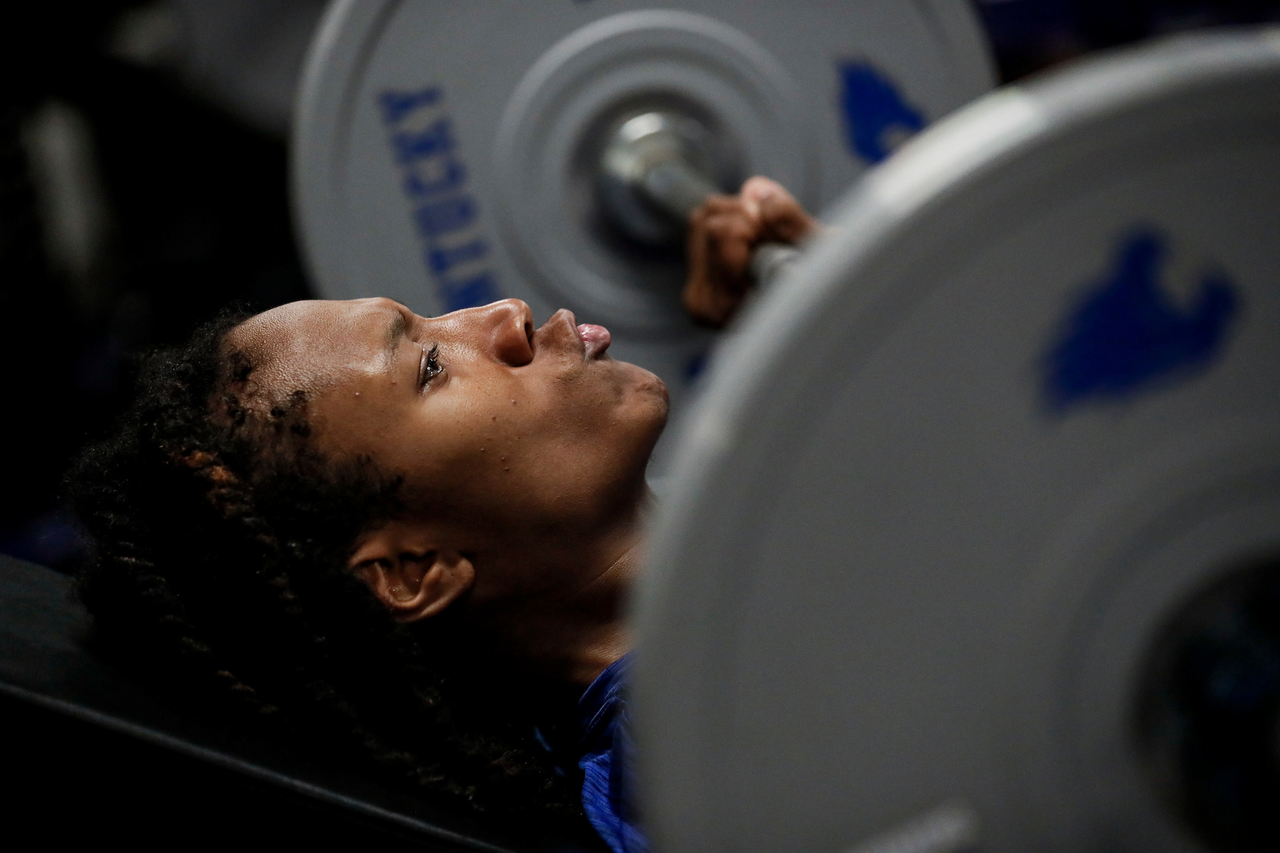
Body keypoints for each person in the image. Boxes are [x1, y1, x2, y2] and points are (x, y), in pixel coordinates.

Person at [70, 178, 820, 852]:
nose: (506, 316)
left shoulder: (761, 607)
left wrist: (850, 315)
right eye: (431, 366)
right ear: (411, 570)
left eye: (434, 321)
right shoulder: (705, 770)